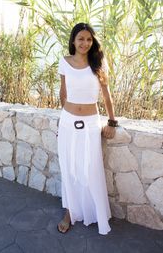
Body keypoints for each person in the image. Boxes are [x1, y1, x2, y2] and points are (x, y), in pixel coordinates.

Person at [57, 22, 118, 235]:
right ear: (73, 40)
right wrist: (67, 114)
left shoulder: (98, 62)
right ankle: (69, 212)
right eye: (81, 38)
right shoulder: (64, 62)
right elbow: (63, 93)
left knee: (91, 169)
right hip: (67, 123)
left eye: (89, 39)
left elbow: (106, 95)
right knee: (69, 167)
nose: (85, 43)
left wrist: (111, 122)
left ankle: (97, 212)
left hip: (91, 123)